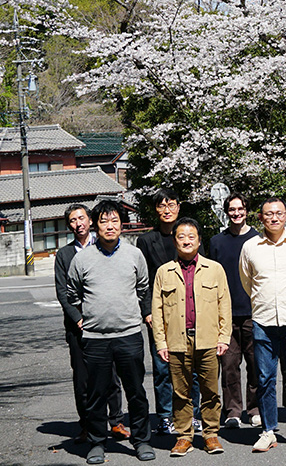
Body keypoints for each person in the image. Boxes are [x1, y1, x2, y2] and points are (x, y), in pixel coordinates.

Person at [66, 200, 155, 464]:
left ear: (121, 225)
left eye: (114, 220)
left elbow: (143, 288)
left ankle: (141, 440)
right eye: (104, 221)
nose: (110, 226)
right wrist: (90, 317)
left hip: (129, 334)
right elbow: (72, 294)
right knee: (96, 394)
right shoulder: (82, 258)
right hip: (95, 338)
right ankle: (96, 443)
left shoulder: (133, 254)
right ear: (95, 225)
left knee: (136, 392)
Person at [239, 198, 286, 452]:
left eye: (279, 213)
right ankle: (268, 431)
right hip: (263, 321)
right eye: (268, 214)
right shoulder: (250, 247)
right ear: (260, 218)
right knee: (264, 379)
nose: (274, 218)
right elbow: (247, 281)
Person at [152, 217, 232, 456]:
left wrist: (224, 337)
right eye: (181, 237)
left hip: (208, 339)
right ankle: (184, 436)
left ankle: (211, 435)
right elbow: (157, 310)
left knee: (210, 391)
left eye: (191, 236)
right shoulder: (164, 272)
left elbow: (224, 305)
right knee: (180, 392)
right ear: (174, 241)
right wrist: (161, 342)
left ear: (199, 240)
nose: (186, 241)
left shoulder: (214, 269)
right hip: (177, 341)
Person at [55, 204, 129, 444]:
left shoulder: (105, 247)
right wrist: (78, 319)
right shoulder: (64, 255)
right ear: (69, 225)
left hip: (105, 324)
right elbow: (63, 293)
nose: (78, 224)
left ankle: (116, 421)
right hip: (78, 327)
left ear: (91, 221)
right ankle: (87, 424)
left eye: (82, 218)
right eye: (73, 220)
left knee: (111, 376)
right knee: (83, 379)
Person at [137, 189, 200, 434]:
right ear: (155, 209)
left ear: (178, 206)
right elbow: (142, 280)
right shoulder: (146, 240)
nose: (167, 210)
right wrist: (147, 311)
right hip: (159, 311)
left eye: (171, 204)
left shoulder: (188, 235)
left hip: (189, 310)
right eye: (162, 206)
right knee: (163, 367)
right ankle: (165, 415)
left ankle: (193, 414)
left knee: (192, 367)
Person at [208, 193, 261, 429]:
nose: (236, 213)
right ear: (226, 211)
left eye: (240, 209)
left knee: (255, 364)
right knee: (229, 365)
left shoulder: (258, 239)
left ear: (246, 211)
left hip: (254, 312)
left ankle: (255, 409)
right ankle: (232, 411)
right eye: (232, 209)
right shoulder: (217, 242)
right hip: (225, 315)